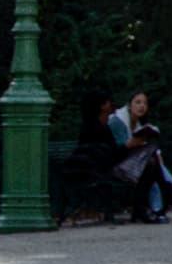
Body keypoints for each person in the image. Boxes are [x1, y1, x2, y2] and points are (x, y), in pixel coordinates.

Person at [68, 91, 167, 223]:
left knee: (150, 159)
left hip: (105, 166)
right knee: (149, 164)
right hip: (100, 170)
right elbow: (107, 155)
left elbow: (110, 153)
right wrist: (128, 145)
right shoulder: (94, 128)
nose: (111, 104)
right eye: (107, 102)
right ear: (101, 106)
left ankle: (145, 207)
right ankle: (144, 207)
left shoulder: (102, 126)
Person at [108, 91, 172, 215]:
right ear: (129, 105)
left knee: (154, 162)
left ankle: (161, 205)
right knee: (151, 165)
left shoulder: (139, 124)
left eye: (145, 103)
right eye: (138, 102)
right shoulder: (117, 121)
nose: (142, 106)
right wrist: (136, 143)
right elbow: (119, 150)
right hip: (117, 166)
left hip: (134, 163)